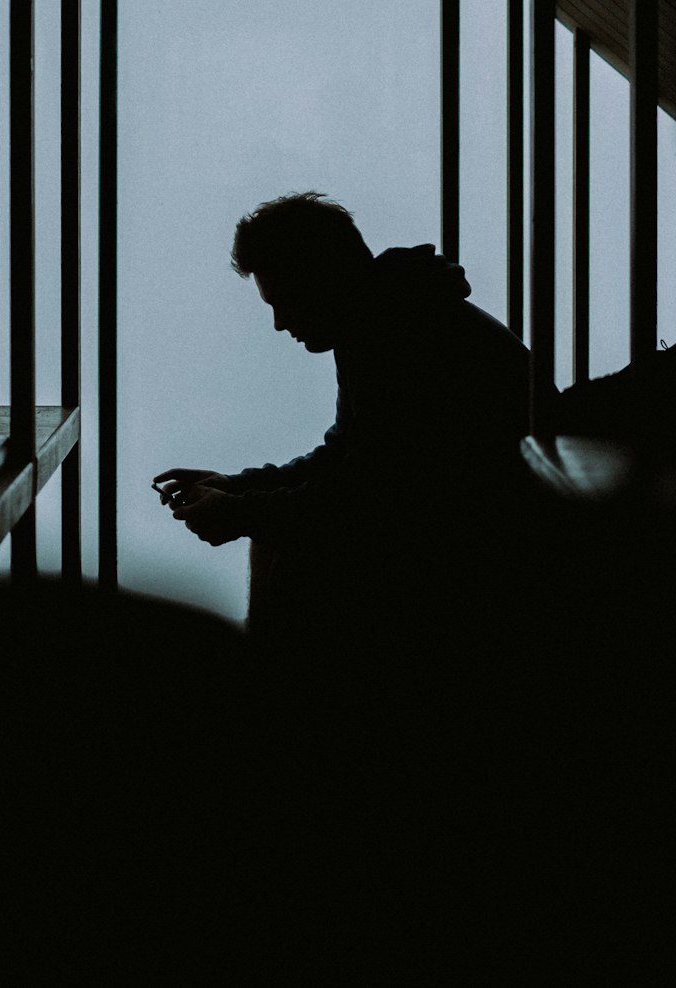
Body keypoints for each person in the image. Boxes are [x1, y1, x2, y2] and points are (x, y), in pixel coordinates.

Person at [153, 191, 532, 717]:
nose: (280, 324)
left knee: (290, 546)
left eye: (282, 300)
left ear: (320, 278)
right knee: (282, 532)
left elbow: (366, 498)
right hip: (482, 533)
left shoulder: (396, 334)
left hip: (483, 561)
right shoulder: (391, 314)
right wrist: (239, 488)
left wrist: (240, 508)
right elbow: (351, 460)